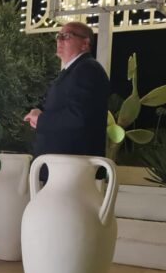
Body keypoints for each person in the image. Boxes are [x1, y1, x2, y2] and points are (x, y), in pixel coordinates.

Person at [23, 21, 110, 180]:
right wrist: (40, 112)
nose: (59, 40)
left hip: (70, 172)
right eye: (58, 36)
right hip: (62, 170)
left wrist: (41, 120)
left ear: (85, 43)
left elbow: (79, 116)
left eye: (67, 36)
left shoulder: (87, 69)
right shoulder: (74, 70)